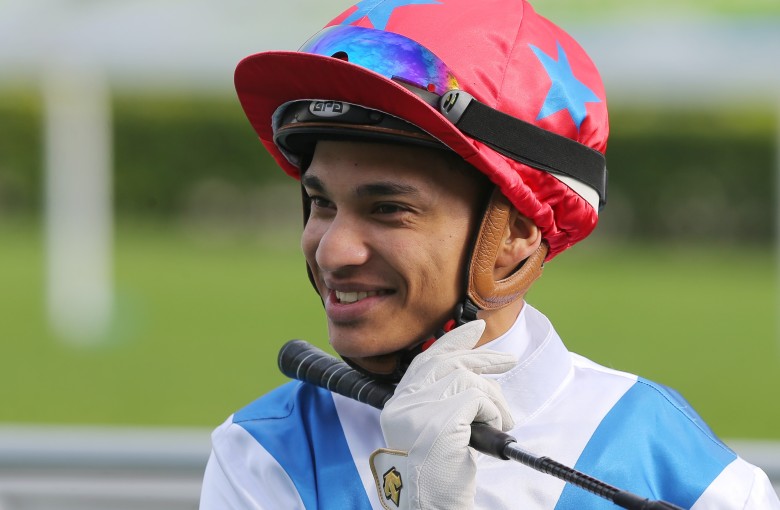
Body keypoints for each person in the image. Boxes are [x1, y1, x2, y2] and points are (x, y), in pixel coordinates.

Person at [200, 0, 780, 508]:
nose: (334, 250)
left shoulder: (688, 476)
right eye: (321, 203)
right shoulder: (259, 453)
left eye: (387, 209)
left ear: (519, 233)